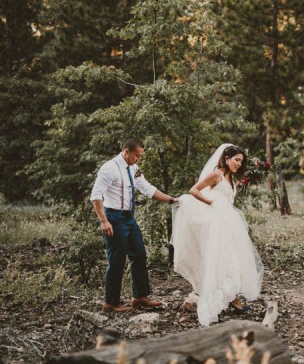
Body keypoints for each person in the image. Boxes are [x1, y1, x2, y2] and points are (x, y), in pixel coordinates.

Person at [171, 143, 263, 326]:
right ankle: (225, 299)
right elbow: (194, 190)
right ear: (226, 158)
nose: (238, 164)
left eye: (241, 161)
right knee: (224, 259)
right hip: (214, 223)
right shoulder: (216, 174)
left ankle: (232, 296)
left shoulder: (231, 178)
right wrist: (211, 202)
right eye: (236, 160)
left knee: (232, 258)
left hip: (227, 223)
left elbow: (228, 198)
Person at [91, 137, 179, 312]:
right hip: (113, 217)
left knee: (139, 253)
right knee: (116, 259)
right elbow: (95, 196)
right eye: (136, 155)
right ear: (126, 151)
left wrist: (171, 200)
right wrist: (103, 221)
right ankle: (111, 303)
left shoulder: (134, 168)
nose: (138, 159)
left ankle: (139, 296)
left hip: (129, 218)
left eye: (140, 156)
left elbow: (147, 188)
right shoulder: (109, 168)